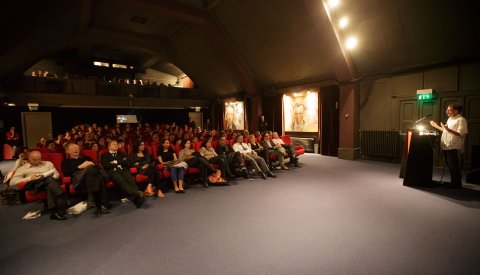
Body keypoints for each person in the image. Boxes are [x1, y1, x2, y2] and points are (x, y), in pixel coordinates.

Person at [10, 150, 68, 220]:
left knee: (49, 183)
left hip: (48, 182)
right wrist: (30, 178)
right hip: (34, 185)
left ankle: (54, 212)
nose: (37, 161)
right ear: (29, 158)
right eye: (35, 160)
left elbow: (56, 174)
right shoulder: (23, 168)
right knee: (50, 181)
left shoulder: (48, 163)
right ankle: (62, 200)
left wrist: (52, 177)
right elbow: (12, 182)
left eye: (39, 159)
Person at [62, 143, 110, 214]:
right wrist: (80, 167)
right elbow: (67, 173)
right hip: (79, 180)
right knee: (97, 176)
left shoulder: (87, 158)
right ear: (68, 151)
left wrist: (91, 165)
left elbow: (95, 168)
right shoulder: (65, 161)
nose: (76, 149)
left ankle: (94, 201)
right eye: (73, 148)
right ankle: (103, 203)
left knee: (95, 174)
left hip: (90, 179)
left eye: (77, 148)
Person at [430, 104, 468, 188]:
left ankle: (457, 183)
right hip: (446, 145)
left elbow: (461, 134)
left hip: (453, 146)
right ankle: (453, 182)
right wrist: (435, 126)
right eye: (447, 110)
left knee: (453, 165)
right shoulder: (450, 119)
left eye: (449, 110)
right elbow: (445, 131)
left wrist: (449, 129)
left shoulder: (461, 120)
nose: (447, 112)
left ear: (456, 111)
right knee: (449, 164)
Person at [100, 140, 145, 208]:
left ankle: (136, 199)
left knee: (131, 179)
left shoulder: (121, 153)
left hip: (123, 170)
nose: (116, 145)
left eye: (116, 144)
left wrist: (115, 162)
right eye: (114, 144)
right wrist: (120, 162)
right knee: (122, 181)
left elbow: (127, 162)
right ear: (108, 146)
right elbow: (106, 165)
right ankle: (137, 195)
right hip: (113, 172)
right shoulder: (104, 155)